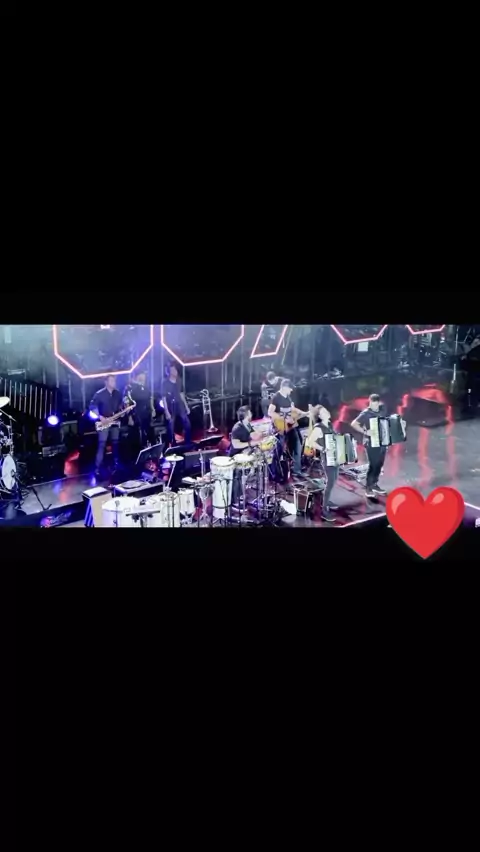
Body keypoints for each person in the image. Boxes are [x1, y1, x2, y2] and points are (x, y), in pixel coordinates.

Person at [305, 404, 341, 521]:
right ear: (320, 416)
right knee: (330, 483)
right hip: (327, 459)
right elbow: (309, 442)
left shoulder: (329, 425)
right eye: (324, 412)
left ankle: (327, 500)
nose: (327, 412)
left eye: (326, 410)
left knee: (333, 480)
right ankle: (324, 511)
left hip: (335, 457)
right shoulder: (318, 428)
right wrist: (323, 449)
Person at [268, 379, 309, 478]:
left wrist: (304, 413)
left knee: (298, 445)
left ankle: (296, 470)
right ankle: (274, 473)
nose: (291, 390)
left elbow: (292, 409)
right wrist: (285, 418)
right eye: (290, 388)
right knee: (279, 451)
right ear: (285, 387)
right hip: (280, 428)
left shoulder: (288, 397)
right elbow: (270, 412)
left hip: (290, 427)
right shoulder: (276, 397)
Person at [350, 393, 388, 497]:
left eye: (376, 404)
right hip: (371, 443)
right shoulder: (366, 413)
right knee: (373, 465)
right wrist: (365, 432)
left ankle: (374, 484)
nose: (374, 406)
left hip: (382, 442)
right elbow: (354, 424)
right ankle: (368, 488)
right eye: (372, 404)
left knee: (379, 464)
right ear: (370, 402)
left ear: (379, 403)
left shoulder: (382, 410)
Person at [89, 375, 126, 477]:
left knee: (115, 443)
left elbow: (121, 406)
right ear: (106, 382)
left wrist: (123, 411)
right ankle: (97, 468)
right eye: (112, 380)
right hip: (104, 422)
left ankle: (116, 465)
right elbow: (92, 407)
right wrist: (100, 417)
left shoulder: (118, 394)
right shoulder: (99, 394)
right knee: (102, 444)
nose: (114, 382)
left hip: (115, 421)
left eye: (115, 380)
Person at [229, 406, 264, 505]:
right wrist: (250, 444)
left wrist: (262, 433)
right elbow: (236, 445)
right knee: (238, 477)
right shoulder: (237, 428)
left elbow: (254, 436)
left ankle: (250, 491)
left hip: (244, 452)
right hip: (236, 456)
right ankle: (236, 500)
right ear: (247, 415)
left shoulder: (247, 424)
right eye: (250, 413)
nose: (252, 414)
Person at [161, 363, 191, 447]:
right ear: (169, 372)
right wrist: (166, 411)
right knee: (171, 425)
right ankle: (172, 444)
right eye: (173, 370)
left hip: (180, 404)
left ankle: (188, 443)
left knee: (187, 423)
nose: (175, 371)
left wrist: (186, 406)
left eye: (175, 369)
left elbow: (181, 394)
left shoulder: (179, 380)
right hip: (171, 405)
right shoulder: (165, 383)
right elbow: (163, 398)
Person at [124, 369, 156, 449]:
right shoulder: (129, 388)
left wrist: (153, 409)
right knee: (138, 437)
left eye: (144, 378)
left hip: (147, 415)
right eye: (141, 377)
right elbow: (127, 403)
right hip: (136, 416)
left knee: (149, 434)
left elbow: (150, 398)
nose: (143, 379)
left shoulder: (146, 388)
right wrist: (129, 417)